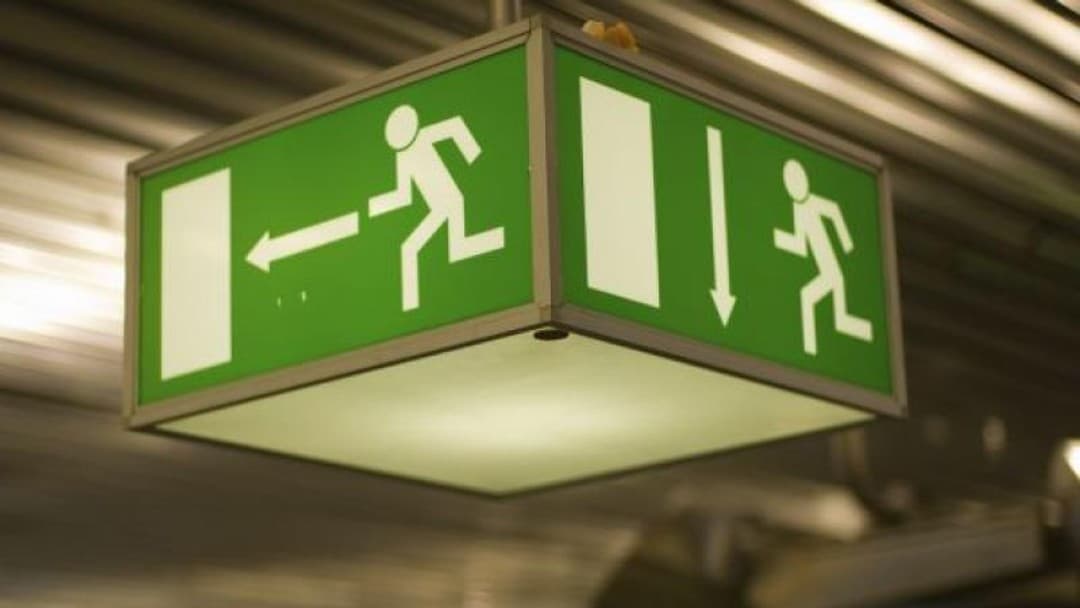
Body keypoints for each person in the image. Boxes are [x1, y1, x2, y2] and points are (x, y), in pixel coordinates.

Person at [369, 104, 505, 311]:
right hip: (440, 206)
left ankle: (491, 240)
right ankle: (411, 300)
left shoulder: (425, 136)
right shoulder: (403, 158)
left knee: (420, 246)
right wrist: (379, 204)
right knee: (420, 246)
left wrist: (472, 151)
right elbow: (404, 194)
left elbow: (454, 128)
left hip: (451, 200)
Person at [773, 159, 872, 355]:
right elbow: (800, 243)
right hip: (827, 271)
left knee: (814, 300)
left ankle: (816, 343)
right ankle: (815, 343)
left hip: (832, 269)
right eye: (791, 184)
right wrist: (781, 238)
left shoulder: (815, 202)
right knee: (816, 301)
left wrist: (845, 240)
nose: (794, 187)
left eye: (796, 181)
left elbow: (834, 212)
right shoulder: (798, 211)